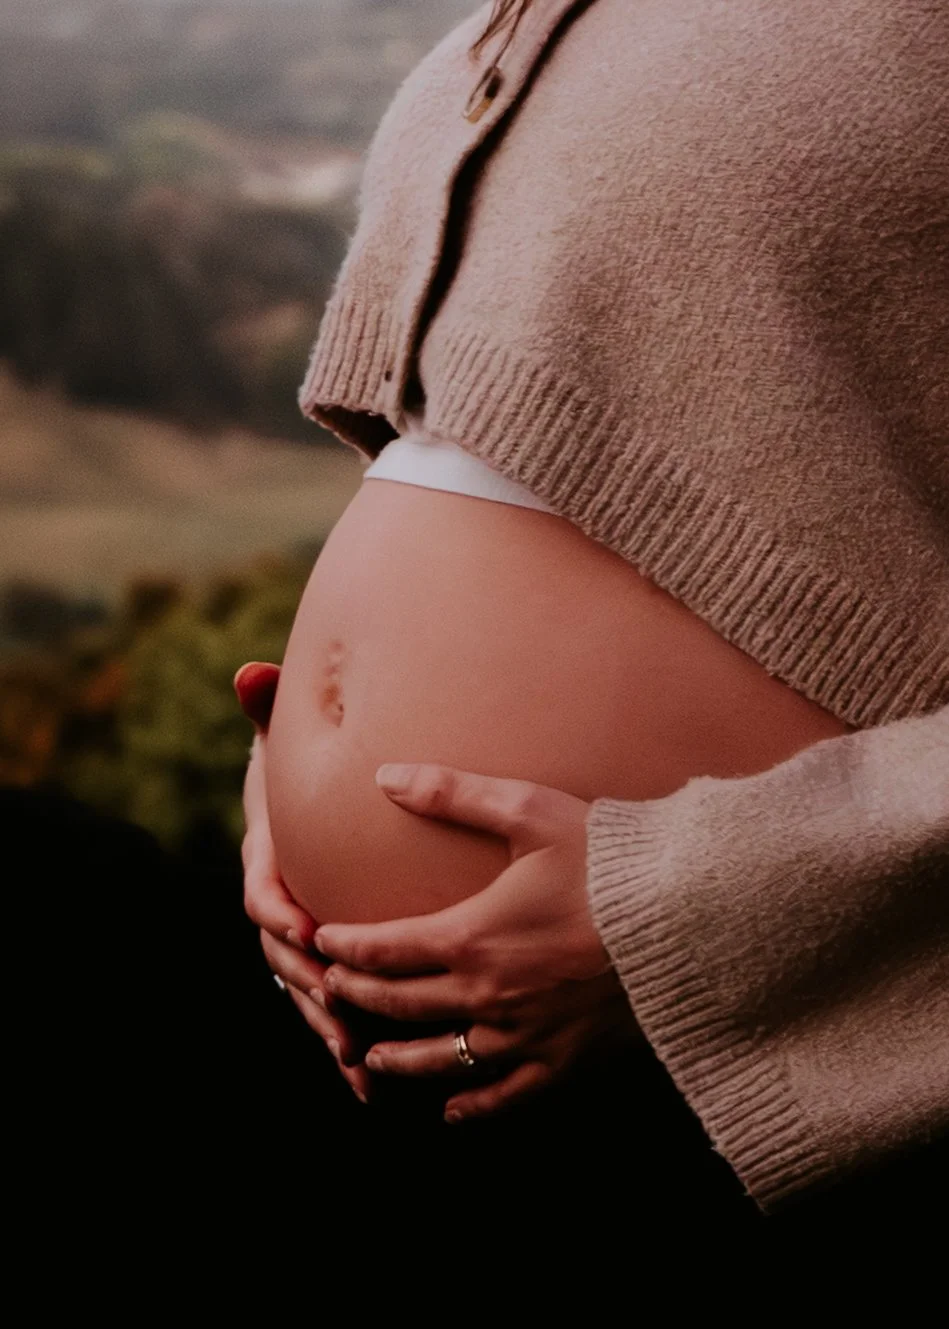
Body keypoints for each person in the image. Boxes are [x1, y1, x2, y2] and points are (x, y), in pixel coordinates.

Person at [237, 0, 948, 1220]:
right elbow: (486, 461)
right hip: (367, 1062)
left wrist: (701, 917)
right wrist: (291, 782)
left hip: (762, 1115)